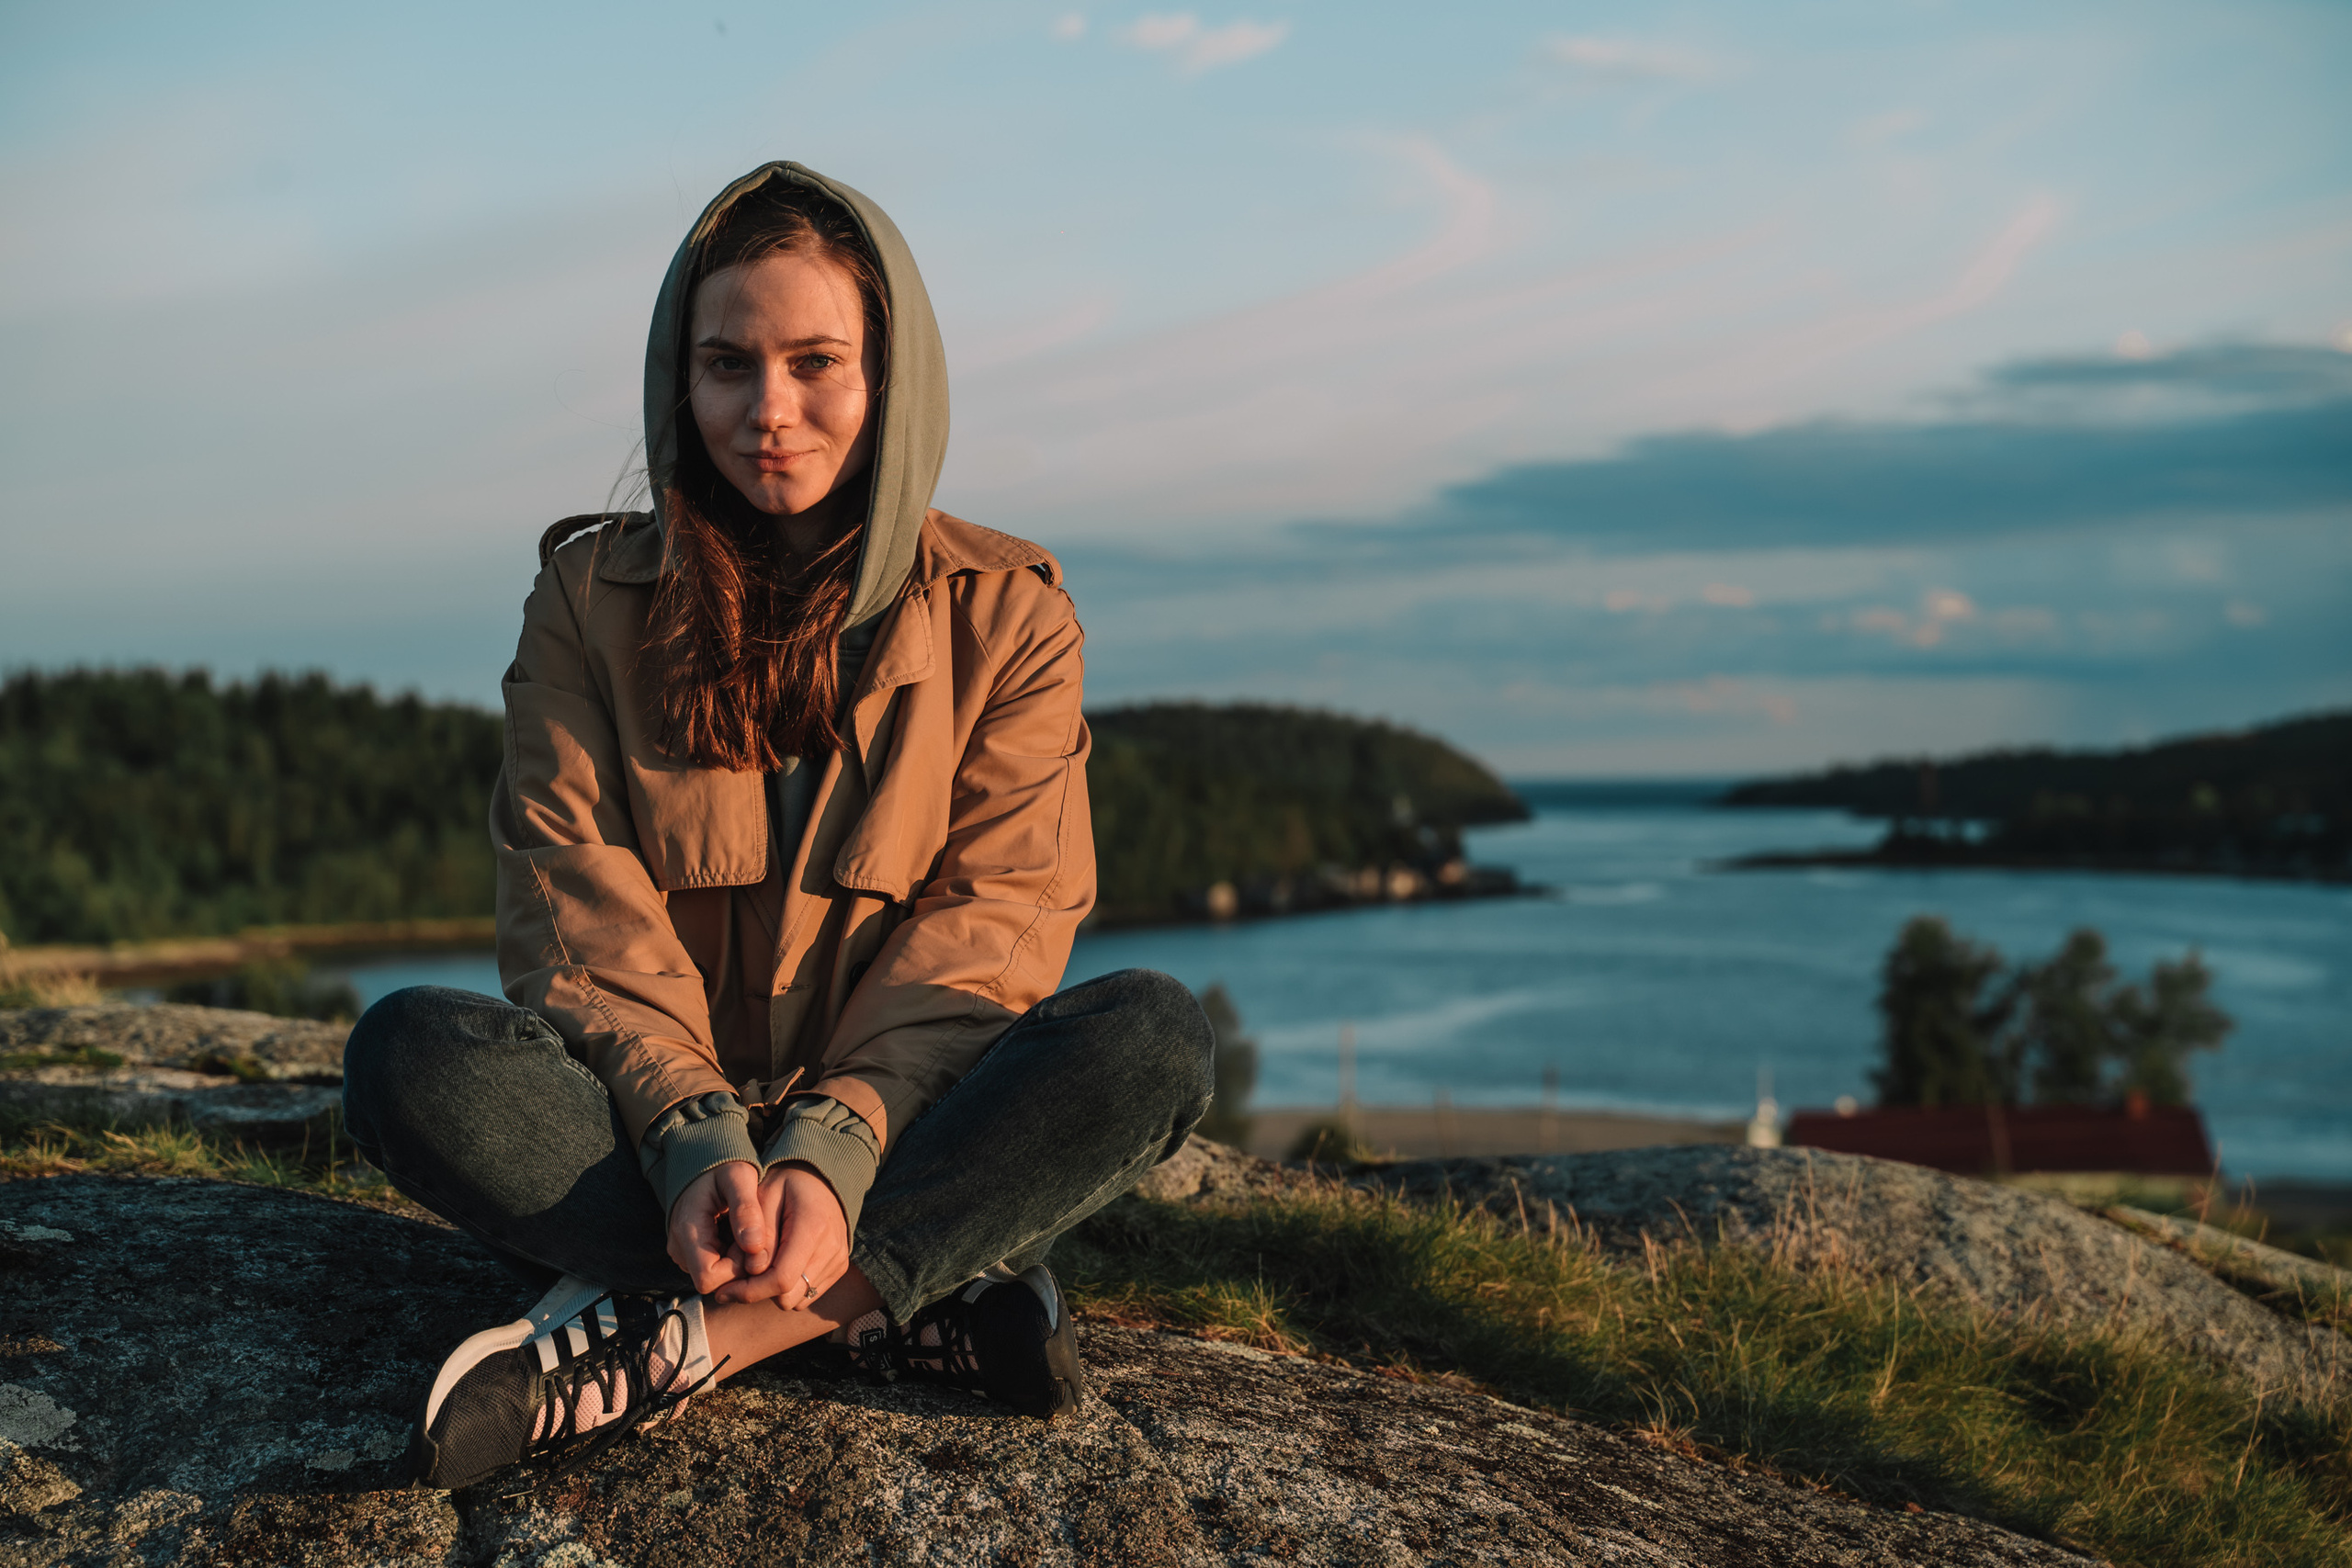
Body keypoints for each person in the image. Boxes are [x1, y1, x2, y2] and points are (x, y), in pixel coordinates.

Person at [341, 162, 1214, 1493]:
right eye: (727, 365)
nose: (771, 412)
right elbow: (576, 912)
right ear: (678, 383)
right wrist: (696, 1136)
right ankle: (904, 1297)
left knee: (1150, 1040)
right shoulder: (586, 598)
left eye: (819, 362)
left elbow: (994, 929)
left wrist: (839, 1144)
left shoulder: (1014, 615)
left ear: (893, 379)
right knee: (409, 1054)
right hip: (651, 1141)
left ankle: (680, 1339)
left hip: (896, 1122)